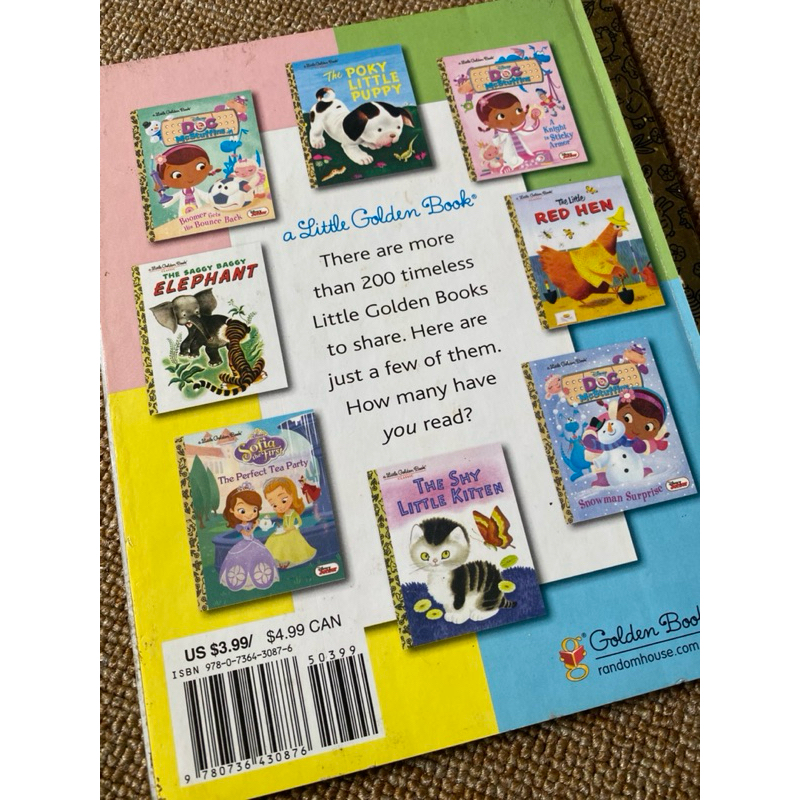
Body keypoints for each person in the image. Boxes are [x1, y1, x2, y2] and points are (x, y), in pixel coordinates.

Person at [218, 486, 279, 591]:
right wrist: (255, 526)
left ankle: (263, 577)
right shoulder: (239, 526)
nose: (249, 514)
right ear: (232, 510)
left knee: (261, 557)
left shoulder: (251, 522)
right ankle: (244, 580)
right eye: (242, 510)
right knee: (244, 561)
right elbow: (247, 533)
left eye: (254, 509)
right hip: (245, 544)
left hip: (254, 542)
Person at [263, 478, 316, 569]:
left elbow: (299, 522)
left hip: (292, 531)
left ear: (292, 494)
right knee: (273, 538)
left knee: (285, 541)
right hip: (286, 530)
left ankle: (287, 560)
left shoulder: (293, 512)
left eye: (283, 500)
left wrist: (293, 527)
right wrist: (282, 529)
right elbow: (285, 524)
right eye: (274, 505)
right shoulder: (285, 515)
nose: (280, 506)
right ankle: (279, 560)